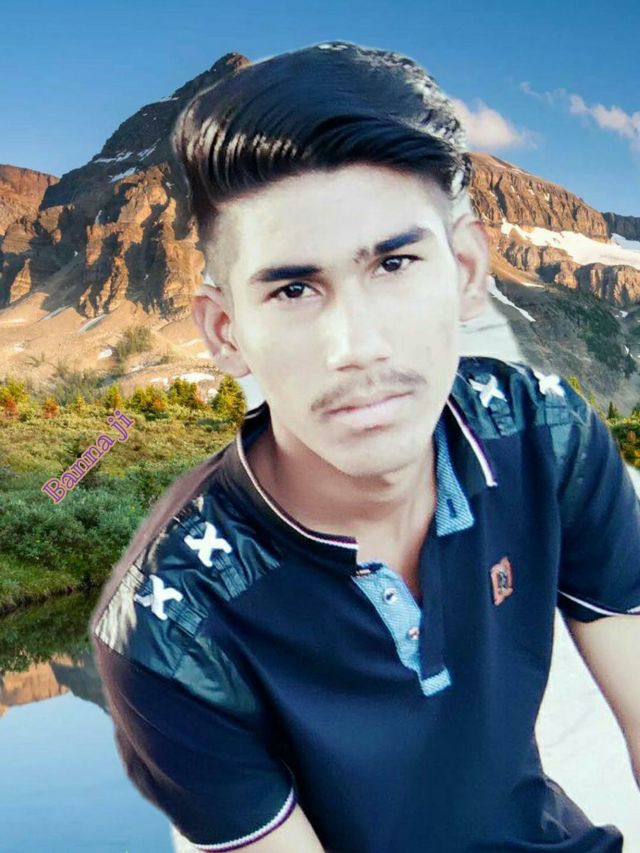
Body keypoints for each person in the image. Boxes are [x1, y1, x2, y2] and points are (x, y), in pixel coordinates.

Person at [90, 40, 640, 852]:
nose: (358, 345)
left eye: (394, 263)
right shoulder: (170, 628)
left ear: (465, 270)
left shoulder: (542, 431)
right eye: (294, 288)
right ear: (226, 331)